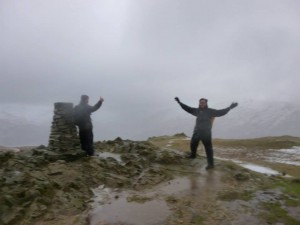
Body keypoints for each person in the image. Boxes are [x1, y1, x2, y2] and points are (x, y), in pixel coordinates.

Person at [175, 97, 238, 169]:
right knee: (193, 144)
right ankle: (193, 155)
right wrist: (179, 103)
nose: (202, 103)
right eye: (200, 102)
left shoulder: (210, 111)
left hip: (206, 133)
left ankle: (211, 164)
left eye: (203, 102)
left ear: (206, 103)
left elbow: (221, 112)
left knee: (208, 148)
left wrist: (230, 108)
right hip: (197, 131)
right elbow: (187, 108)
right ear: (199, 103)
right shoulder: (197, 111)